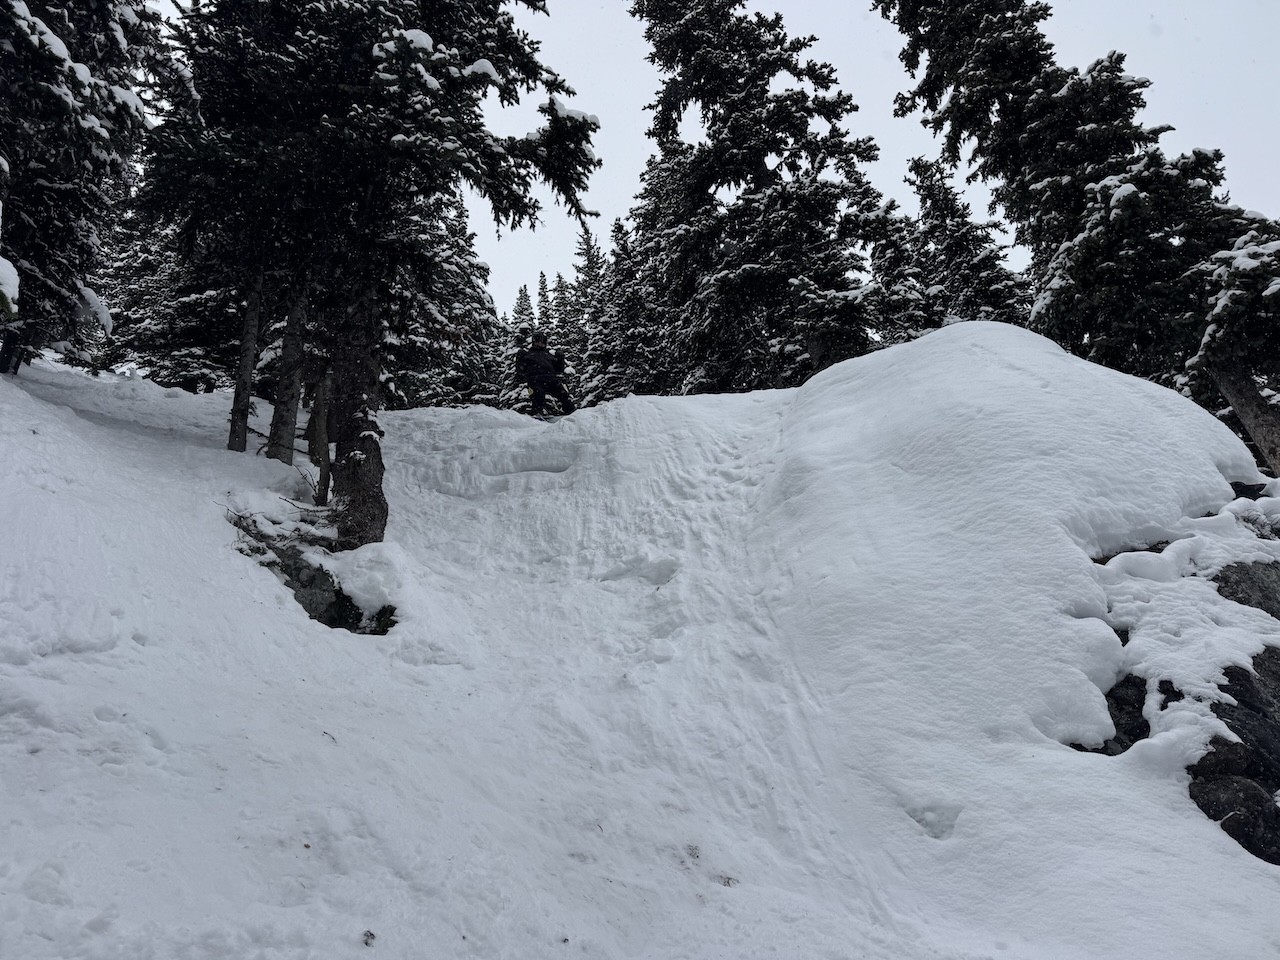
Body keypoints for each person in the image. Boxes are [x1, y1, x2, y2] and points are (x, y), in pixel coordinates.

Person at [515, 331, 576, 417]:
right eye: (538, 341)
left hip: (550, 379)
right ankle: (537, 413)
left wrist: (560, 358)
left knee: (563, 394)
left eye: (542, 341)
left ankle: (572, 413)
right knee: (537, 395)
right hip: (535, 379)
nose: (540, 343)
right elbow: (520, 371)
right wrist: (520, 359)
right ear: (534, 342)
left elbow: (559, 369)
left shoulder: (549, 355)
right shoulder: (528, 354)